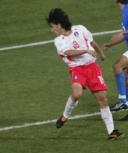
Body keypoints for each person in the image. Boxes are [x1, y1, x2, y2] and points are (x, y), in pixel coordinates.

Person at [46, 8, 123, 140]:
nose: (52, 30)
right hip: (77, 68)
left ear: (58, 25)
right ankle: (65, 115)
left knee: (103, 99)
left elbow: (92, 42)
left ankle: (112, 132)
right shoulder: (59, 40)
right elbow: (69, 52)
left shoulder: (81, 29)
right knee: (77, 94)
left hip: (92, 68)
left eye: (52, 26)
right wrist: (86, 50)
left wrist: (101, 53)